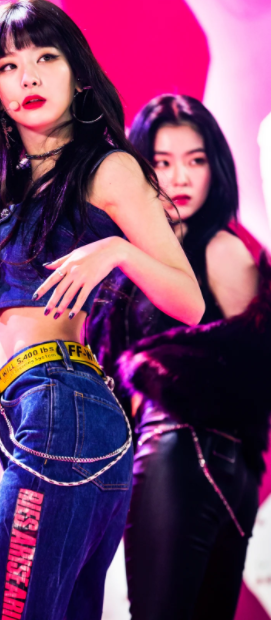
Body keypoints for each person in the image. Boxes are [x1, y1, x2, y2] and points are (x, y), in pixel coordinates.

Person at [0, 0, 204, 620]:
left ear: (78, 73)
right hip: (25, 413)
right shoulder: (2, 186)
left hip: (61, 409)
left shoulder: (107, 168)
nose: (29, 77)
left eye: (46, 58)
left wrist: (116, 250)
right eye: (9, 66)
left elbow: (189, 301)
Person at [90, 94, 263, 620]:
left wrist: (158, 369)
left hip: (181, 451)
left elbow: (255, 364)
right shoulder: (143, 258)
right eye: (162, 163)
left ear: (216, 166)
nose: (180, 178)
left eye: (196, 160)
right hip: (220, 469)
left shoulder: (219, 248)